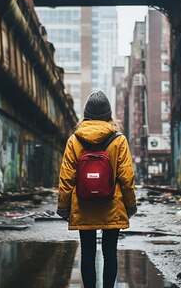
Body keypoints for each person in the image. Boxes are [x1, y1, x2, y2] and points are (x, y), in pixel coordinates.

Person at [57, 91, 137, 288]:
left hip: (83, 205)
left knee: (87, 253)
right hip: (112, 203)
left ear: (86, 115)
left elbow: (67, 177)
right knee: (110, 253)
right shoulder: (119, 140)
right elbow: (126, 177)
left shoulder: (74, 140)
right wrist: (131, 205)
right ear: (109, 115)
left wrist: (64, 207)